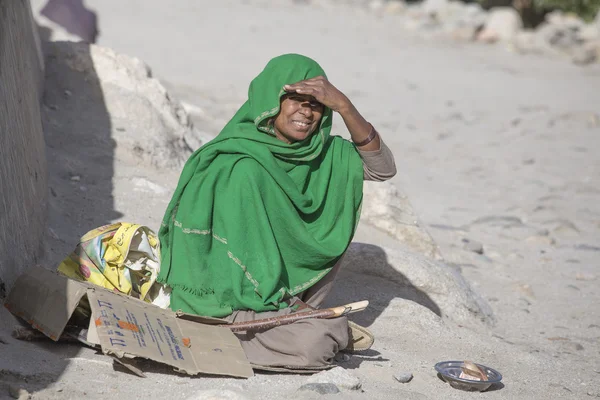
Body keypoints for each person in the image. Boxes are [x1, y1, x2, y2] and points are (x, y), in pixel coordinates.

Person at [157, 54, 396, 371]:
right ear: (271, 102)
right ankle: (234, 330)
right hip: (228, 301)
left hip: (288, 305)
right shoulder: (237, 161)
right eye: (295, 100)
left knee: (321, 337)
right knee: (320, 343)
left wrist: (346, 106)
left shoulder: (328, 157)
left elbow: (383, 169)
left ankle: (293, 325)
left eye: (316, 104)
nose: (306, 112)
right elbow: (218, 264)